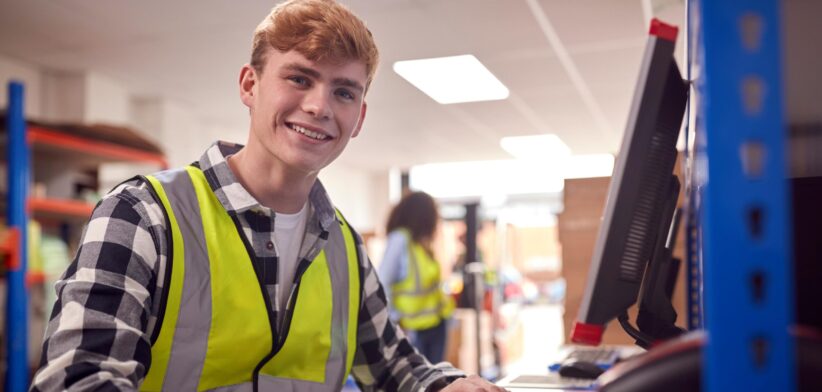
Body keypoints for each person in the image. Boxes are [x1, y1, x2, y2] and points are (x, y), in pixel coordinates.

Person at [29, 1, 505, 391]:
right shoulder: (144, 214)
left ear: (359, 117)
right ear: (249, 86)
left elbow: (393, 366)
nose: (319, 106)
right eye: (299, 78)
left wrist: (446, 385)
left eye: (344, 92)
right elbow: (78, 380)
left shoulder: (342, 243)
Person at [378, 191, 455, 363]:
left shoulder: (421, 244)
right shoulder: (400, 239)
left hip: (436, 323)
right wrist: (395, 322)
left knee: (437, 381)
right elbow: (382, 284)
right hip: (413, 329)